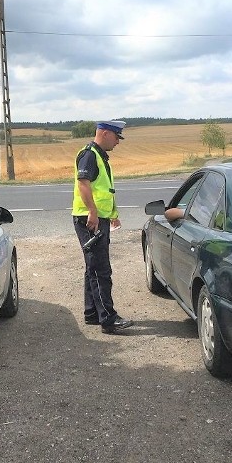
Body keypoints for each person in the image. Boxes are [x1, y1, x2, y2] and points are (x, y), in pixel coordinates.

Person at [72, 120, 134, 334]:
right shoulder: (90, 154)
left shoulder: (98, 155)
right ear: (105, 133)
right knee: (101, 269)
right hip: (90, 219)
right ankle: (108, 319)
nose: (118, 142)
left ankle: (92, 314)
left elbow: (105, 190)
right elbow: (83, 183)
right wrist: (93, 211)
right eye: (116, 137)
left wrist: (112, 215)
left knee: (93, 267)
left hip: (97, 218)